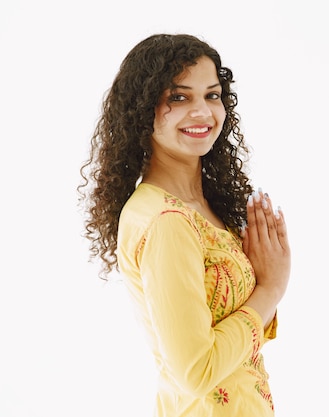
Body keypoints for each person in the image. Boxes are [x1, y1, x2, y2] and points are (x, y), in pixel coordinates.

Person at [78, 33, 291, 417]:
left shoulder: (200, 208)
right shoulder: (167, 222)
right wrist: (271, 288)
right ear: (143, 109)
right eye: (178, 97)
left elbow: (231, 347)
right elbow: (197, 372)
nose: (203, 112)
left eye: (211, 95)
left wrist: (264, 290)